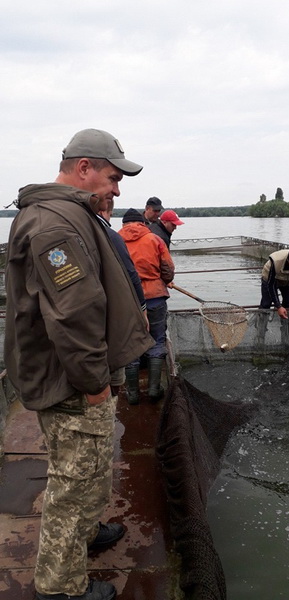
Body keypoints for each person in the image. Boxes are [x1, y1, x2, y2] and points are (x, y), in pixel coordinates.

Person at [4, 128, 154, 600]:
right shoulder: (55, 225)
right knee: (72, 480)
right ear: (84, 168)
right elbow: (72, 313)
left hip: (82, 374)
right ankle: (59, 585)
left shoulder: (69, 213)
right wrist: (94, 382)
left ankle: (86, 535)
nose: (117, 188)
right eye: (112, 177)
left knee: (90, 467)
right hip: (72, 380)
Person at [118, 209, 175, 404]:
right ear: (142, 222)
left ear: (124, 223)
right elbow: (168, 268)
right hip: (155, 298)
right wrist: (164, 280)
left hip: (126, 300)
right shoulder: (154, 239)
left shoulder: (113, 240)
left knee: (131, 343)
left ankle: (132, 394)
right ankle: (153, 389)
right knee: (157, 340)